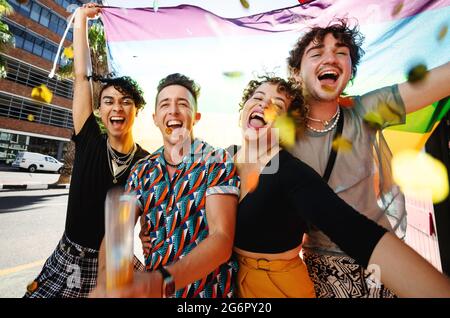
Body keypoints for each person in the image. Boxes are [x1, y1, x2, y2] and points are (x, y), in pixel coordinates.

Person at [233, 75, 450, 298]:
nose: (264, 104)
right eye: (257, 97)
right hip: (227, 284)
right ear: (243, 110)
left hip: (278, 289)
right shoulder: (222, 160)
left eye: (278, 105)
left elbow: (354, 231)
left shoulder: (291, 173)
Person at [286, 19, 450, 298]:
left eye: (341, 53)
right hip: (323, 274)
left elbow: (440, 81)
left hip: (385, 263)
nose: (331, 58)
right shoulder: (279, 135)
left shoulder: (366, 109)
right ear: (297, 73)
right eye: (316, 53)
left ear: (350, 71)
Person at [24, 4, 149, 298]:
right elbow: (82, 77)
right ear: (99, 109)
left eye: (126, 101)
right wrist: (80, 18)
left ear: (137, 110)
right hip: (67, 260)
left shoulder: (146, 163)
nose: (117, 107)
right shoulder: (89, 137)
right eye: (108, 101)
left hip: (114, 263)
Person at [92, 73, 240, 298]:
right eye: (165, 104)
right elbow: (117, 234)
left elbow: (221, 239)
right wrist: (106, 280)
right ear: (155, 117)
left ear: (196, 117)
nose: (173, 111)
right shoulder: (142, 170)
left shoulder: (216, 161)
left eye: (183, 104)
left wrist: (160, 282)